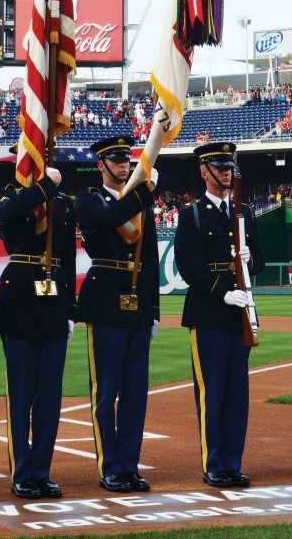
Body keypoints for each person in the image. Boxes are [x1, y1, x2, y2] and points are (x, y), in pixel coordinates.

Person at [174, 143, 264, 488]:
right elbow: (188, 265)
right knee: (212, 392)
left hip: (239, 313)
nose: (226, 172)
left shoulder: (245, 213)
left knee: (237, 394)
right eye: (218, 167)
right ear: (204, 171)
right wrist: (221, 291)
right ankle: (214, 464)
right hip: (209, 312)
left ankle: (232, 462)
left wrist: (248, 261)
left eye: (228, 166)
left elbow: (260, 257)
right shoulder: (192, 214)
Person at [74, 135, 160, 493]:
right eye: (116, 159)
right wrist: (145, 192)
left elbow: (151, 257)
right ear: (101, 165)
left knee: (136, 391)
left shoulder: (140, 205)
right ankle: (110, 466)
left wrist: (154, 309)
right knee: (106, 390)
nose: (125, 164)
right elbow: (111, 217)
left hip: (137, 301)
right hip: (105, 299)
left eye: (128, 159)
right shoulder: (88, 200)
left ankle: (129, 464)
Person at [0, 159, 76, 499]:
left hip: (54, 301)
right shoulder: (7, 195)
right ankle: (21, 472)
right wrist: (44, 187)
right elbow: (7, 217)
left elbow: (67, 257)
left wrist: (70, 309)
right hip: (20, 297)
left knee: (50, 397)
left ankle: (41, 471)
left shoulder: (64, 203)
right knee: (22, 393)